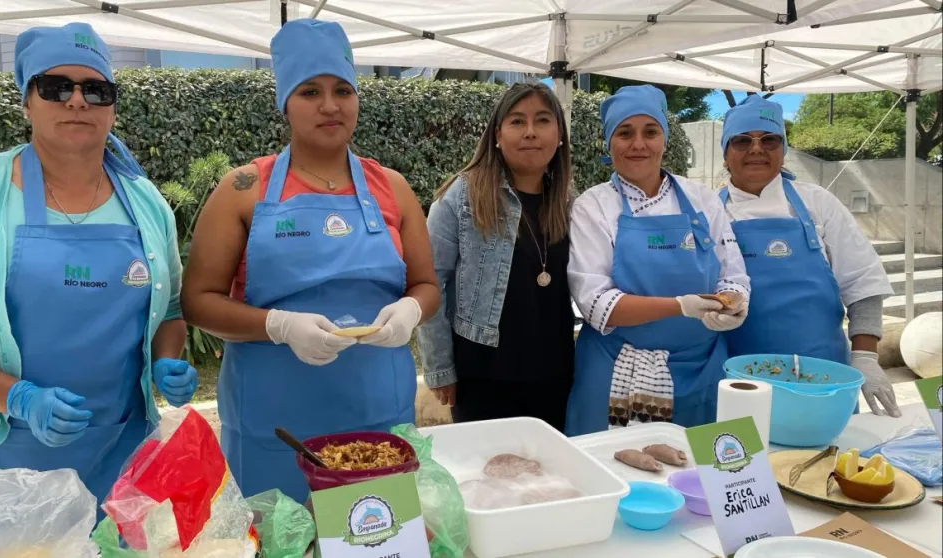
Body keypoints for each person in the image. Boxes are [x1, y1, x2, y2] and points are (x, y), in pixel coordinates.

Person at [180, 19, 439, 503]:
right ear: (284, 104)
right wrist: (278, 325)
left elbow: (426, 284)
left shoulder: (394, 188)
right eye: (309, 91)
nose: (329, 105)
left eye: (343, 89)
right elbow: (198, 302)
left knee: (376, 541)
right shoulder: (243, 189)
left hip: (378, 411)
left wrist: (411, 311)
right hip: (275, 424)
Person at [0, 23, 197, 508]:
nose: (78, 101)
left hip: (118, 452)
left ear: (112, 106)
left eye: (97, 89)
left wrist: (167, 359)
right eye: (56, 87)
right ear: (26, 101)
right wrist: (18, 398)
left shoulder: (145, 202)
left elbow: (169, 311)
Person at [565, 85, 751, 436]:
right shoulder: (594, 206)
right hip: (615, 369)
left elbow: (733, 275)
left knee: (703, 477)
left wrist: (735, 304)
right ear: (609, 143)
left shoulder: (702, 199)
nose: (639, 144)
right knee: (617, 478)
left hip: (701, 368)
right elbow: (596, 303)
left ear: (664, 140)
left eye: (650, 132)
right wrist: (681, 306)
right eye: (625, 133)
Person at [718, 95, 900, 417]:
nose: (756, 149)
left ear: (784, 150)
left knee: (833, 464)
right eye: (743, 140)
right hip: (738, 380)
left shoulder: (819, 203)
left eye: (769, 140)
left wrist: (866, 359)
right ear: (725, 154)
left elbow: (863, 285)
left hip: (824, 377)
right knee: (750, 465)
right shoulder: (708, 212)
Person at [417, 83, 576, 431]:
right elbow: (430, 282)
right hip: (483, 376)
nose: (531, 132)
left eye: (543, 120)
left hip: (556, 374)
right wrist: (440, 367)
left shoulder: (567, 201)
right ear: (497, 135)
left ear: (560, 135)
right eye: (517, 121)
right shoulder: (463, 195)